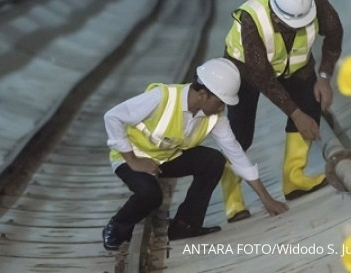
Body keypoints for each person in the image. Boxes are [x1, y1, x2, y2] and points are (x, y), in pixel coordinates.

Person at [102, 58, 288, 251]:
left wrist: (266, 198)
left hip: (166, 158)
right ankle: (116, 228)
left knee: (213, 161)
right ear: (202, 94)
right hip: (132, 158)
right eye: (220, 102)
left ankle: (185, 225)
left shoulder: (215, 118)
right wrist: (132, 160)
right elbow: (113, 117)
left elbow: (236, 155)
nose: (222, 107)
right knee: (151, 195)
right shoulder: (162, 97)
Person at [220, 0, 343, 223]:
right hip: (245, 69)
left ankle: (294, 178)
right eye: (290, 25)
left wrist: (325, 76)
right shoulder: (251, 20)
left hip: (296, 64)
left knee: (311, 105)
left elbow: (334, 32)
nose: (297, 29)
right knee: (240, 133)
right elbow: (263, 77)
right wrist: (295, 114)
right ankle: (232, 198)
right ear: (276, 17)